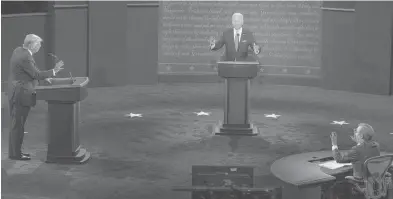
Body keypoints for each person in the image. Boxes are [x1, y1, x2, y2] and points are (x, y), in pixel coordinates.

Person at [7, 34, 64, 160]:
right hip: (21, 93)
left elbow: (29, 71)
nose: (39, 47)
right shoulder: (26, 57)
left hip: (14, 92)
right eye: (38, 44)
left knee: (15, 124)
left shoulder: (18, 51)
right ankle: (16, 154)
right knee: (18, 125)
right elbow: (36, 74)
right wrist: (54, 71)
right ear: (31, 45)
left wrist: (45, 76)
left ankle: (14, 152)